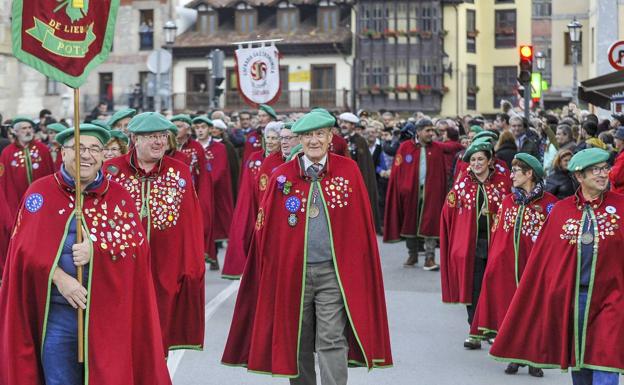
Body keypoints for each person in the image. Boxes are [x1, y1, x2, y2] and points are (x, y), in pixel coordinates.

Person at [222, 109, 392, 384]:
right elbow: (266, 232)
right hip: (292, 275)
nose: (314, 141)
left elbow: (360, 228)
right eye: (308, 136)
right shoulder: (281, 177)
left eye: (319, 134)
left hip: (332, 274)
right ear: (299, 140)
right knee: (298, 341)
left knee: (332, 338)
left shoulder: (348, 172)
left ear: (330, 138)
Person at [0, 124, 171, 385]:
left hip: (107, 315)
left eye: (94, 149)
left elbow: (136, 248)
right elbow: (22, 251)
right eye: (78, 148)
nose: (86, 155)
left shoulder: (119, 196)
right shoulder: (40, 192)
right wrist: (59, 277)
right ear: (63, 153)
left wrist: (98, 249)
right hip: (57, 315)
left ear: (103, 155)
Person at [490, 148, 624, 385]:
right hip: (574, 299)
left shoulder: (621, 208)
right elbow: (543, 262)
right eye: (596, 170)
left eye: (605, 168)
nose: (603, 174)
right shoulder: (561, 212)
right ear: (579, 176)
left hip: (613, 298)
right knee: (580, 364)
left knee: (606, 363)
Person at [104, 112, 205, 353]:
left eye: (162, 136)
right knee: (121, 336)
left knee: (160, 338)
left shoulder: (178, 172)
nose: (159, 141)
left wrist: (191, 267)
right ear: (134, 139)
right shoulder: (110, 172)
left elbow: (191, 222)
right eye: (151, 136)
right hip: (120, 269)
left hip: (165, 269)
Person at [469, 153, 557, 377]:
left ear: (530, 174)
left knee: (535, 312)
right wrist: (495, 265)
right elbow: (499, 235)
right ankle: (514, 357)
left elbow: (555, 241)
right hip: (508, 268)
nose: (512, 175)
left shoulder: (549, 204)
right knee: (511, 312)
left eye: (517, 171)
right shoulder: (509, 201)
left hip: (536, 269)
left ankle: (534, 358)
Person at [440, 139, 511, 349]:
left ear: (490, 161)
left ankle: (490, 328)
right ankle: (474, 330)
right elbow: (448, 213)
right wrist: (456, 241)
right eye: (473, 159)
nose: (477, 163)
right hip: (471, 247)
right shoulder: (462, 185)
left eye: (481, 159)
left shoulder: (502, 183)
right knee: (473, 289)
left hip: (496, 246)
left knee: (493, 286)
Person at [384, 119, 451, 270]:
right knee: (410, 222)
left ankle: (430, 257)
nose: (431, 134)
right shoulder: (405, 147)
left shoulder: (436, 149)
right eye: (428, 130)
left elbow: (442, 171)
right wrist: (402, 188)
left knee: (430, 223)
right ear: (418, 131)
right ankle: (412, 254)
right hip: (410, 192)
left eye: (432, 131)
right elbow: (397, 171)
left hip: (431, 192)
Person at [221, 122, 282, 279]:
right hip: (254, 205)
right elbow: (247, 185)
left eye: (274, 138)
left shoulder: (283, 161)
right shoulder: (254, 158)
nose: (270, 141)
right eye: (268, 137)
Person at [174, 115, 217, 268]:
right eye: (174, 126)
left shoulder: (196, 147)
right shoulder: (167, 147)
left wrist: (202, 196)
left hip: (191, 192)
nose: (176, 129)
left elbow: (204, 174)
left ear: (187, 129)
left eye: (179, 126)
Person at [0, 117, 54, 219]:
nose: (28, 131)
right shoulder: (7, 153)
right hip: (16, 203)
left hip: (43, 200)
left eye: (30, 128)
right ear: (15, 132)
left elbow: (51, 173)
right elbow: (3, 182)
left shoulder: (43, 150)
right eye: (24, 128)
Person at [195, 116, 234, 246]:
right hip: (196, 192)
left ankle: (214, 252)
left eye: (203, 127)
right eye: (197, 128)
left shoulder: (219, 147)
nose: (200, 131)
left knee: (216, 223)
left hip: (216, 192)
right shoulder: (192, 147)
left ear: (210, 129)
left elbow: (220, 168)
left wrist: (206, 183)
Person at [339, 112, 380, 231]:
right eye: (342, 122)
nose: (343, 125)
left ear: (353, 125)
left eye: (346, 123)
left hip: (354, 181)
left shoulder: (360, 141)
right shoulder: (338, 139)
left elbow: (364, 165)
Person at [212, 118, 241, 201]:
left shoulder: (228, 146)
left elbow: (234, 167)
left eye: (217, 128)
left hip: (225, 180)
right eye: (212, 128)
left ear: (221, 131)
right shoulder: (206, 145)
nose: (214, 130)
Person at [608, 126, 624, 194]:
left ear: (622, 141)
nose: (614, 141)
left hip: (620, 194)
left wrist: (608, 171)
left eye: (616, 138)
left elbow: (615, 178)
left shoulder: (622, 157)